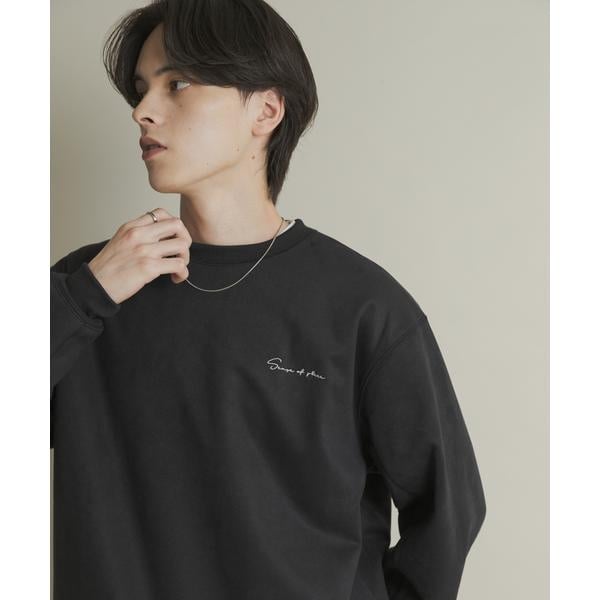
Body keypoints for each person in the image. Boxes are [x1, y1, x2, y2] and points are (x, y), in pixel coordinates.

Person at [50, 1, 487, 598]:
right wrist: (83, 298)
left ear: (266, 109)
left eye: (177, 84)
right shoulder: (86, 287)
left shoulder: (363, 307)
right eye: (142, 89)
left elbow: (448, 510)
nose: (142, 110)